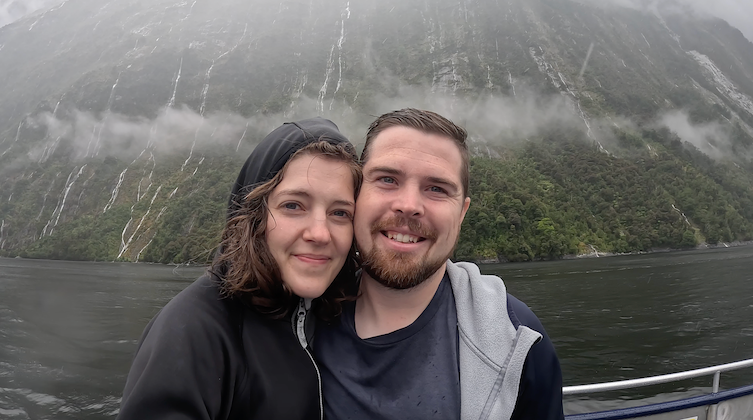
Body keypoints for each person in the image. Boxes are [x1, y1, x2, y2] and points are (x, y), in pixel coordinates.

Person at [313, 108, 565, 419]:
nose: (408, 206)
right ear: (356, 194)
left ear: (462, 213)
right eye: (388, 179)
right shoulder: (294, 313)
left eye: (436, 189)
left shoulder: (519, 339)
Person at [117, 118, 361, 420]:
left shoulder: (336, 315)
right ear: (252, 216)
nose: (320, 233)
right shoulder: (193, 331)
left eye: (340, 213)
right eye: (293, 206)